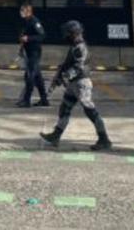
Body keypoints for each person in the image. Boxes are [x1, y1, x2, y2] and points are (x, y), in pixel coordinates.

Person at [40, 20, 112, 151]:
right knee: (65, 109)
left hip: (81, 84)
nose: (66, 36)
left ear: (74, 33)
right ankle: (56, 136)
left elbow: (78, 67)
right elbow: (67, 64)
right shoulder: (75, 46)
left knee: (90, 110)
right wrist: (59, 76)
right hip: (74, 84)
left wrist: (65, 76)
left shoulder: (80, 47)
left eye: (68, 33)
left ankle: (104, 139)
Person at [16, 3, 50, 108]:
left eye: (23, 10)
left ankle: (26, 100)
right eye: (21, 10)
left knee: (29, 76)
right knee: (37, 77)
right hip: (28, 52)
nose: (21, 12)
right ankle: (44, 100)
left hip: (34, 52)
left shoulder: (35, 22)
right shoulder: (26, 22)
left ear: (29, 12)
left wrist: (28, 38)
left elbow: (42, 35)